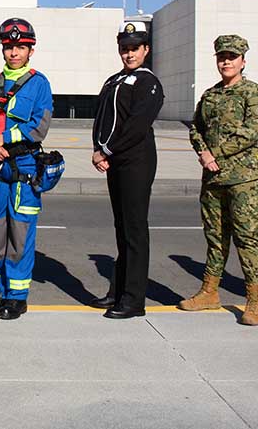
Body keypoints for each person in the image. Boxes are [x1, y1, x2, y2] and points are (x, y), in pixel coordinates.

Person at [180, 34, 258, 326]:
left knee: (246, 238)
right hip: (214, 179)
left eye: (232, 56)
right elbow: (196, 129)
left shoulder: (252, 92)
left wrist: (213, 153)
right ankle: (209, 292)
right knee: (215, 238)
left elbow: (251, 132)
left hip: (243, 179)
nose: (226, 61)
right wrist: (204, 152)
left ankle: (255, 300)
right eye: (221, 57)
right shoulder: (210, 95)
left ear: (243, 60)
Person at [0, 18, 53, 320]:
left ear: (30, 49)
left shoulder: (39, 83)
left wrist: (1, 140)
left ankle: (18, 297)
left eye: (20, 47)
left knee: (20, 235)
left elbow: (38, 127)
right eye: (9, 47)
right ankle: (1, 290)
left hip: (23, 169)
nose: (14, 52)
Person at [90, 21, 164, 319]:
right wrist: (98, 148)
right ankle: (118, 291)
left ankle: (134, 300)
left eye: (134, 48)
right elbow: (102, 118)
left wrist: (106, 149)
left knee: (135, 230)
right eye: (124, 48)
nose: (129, 54)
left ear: (146, 50)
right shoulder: (113, 80)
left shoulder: (149, 83)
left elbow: (136, 125)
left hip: (135, 161)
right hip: (113, 160)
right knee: (121, 228)